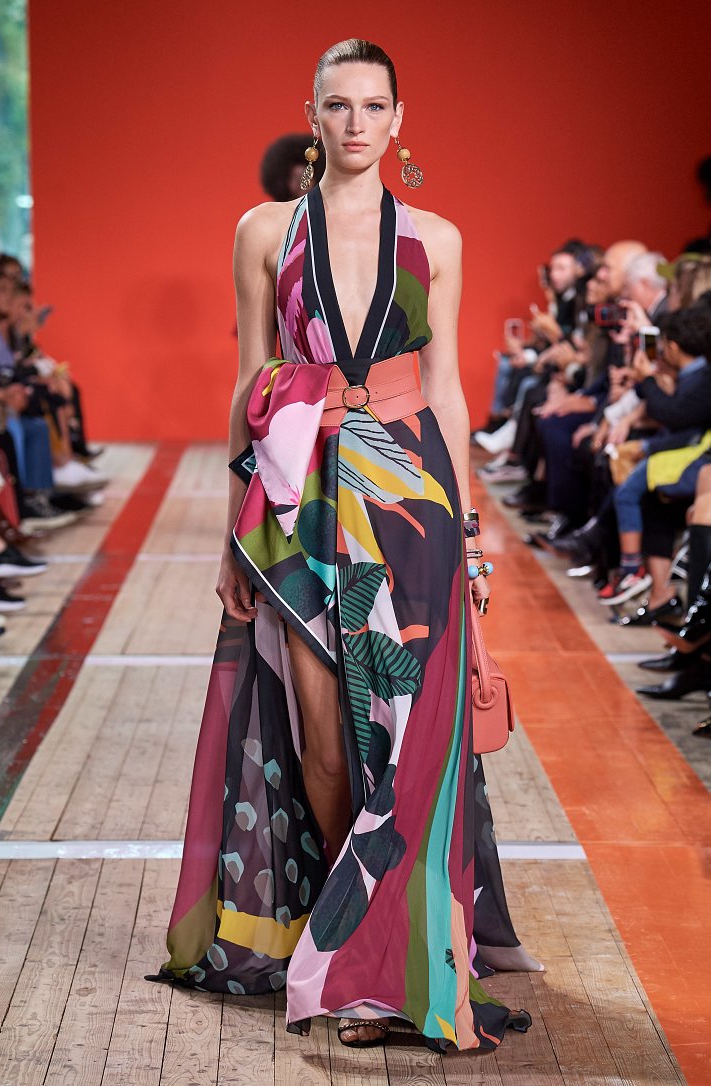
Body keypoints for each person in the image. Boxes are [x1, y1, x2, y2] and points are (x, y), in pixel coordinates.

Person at [149, 38, 535, 1053]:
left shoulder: (436, 238)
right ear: (312, 115)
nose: (356, 122)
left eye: (373, 106)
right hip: (299, 501)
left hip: (410, 501)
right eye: (337, 105)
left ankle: (381, 968)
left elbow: (447, 390)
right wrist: (231, 539)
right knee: (324, 742)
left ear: (399, 120)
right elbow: (250, 378)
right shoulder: (263, 231)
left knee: (407, 738)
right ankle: (348, 939)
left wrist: (468, 532)